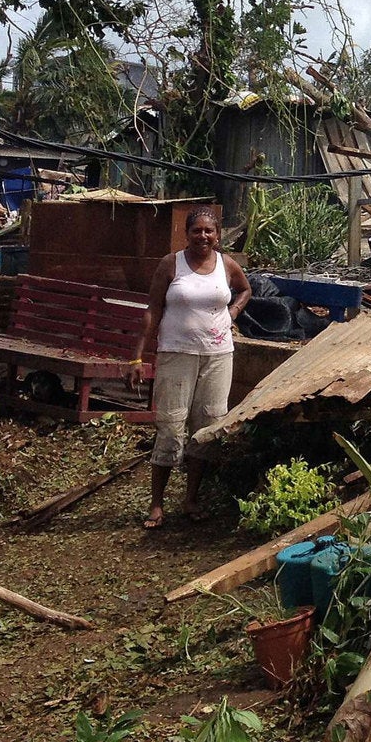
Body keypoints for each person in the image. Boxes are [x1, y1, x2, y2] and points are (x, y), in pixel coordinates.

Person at [131, 206, 250, 528]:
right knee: (170, 426)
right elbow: (152, 308)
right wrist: (138, 357)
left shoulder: (226, 264)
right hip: (176, 354)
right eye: (197, 230)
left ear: (218, 234)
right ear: (187, 233)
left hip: (218, 356)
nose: (203, 236)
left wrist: (234, 312)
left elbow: (245, 288)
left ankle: (191, 498)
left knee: (207, 428)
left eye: (209, 231)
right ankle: (157, 504)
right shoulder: (171, 264)